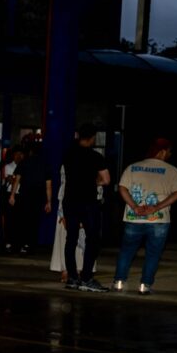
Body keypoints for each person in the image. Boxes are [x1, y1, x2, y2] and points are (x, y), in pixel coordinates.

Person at [112, 138, 177, 295]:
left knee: (127, 251)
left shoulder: (133, 167)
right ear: (162, 151)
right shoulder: (172, 171)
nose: (169, 155)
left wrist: (135, 206)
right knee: (153, 253)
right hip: (158, 220)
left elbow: (122, 188)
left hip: (133, 218)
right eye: (169, 152)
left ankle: (118, 282)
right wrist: (156, 207)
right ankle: (144, 285)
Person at [61, 124, 110, 292]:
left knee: (71, 239)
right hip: (88, 202)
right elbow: (106, 180)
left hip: (69, 201)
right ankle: (87, 277)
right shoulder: (96, 156)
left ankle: (72, 278)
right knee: (92, 239)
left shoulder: (68, 154)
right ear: (92, 138)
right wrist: (93, 181)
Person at [49, 165, 92, 282]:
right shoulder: (67, 166)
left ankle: (79, 268)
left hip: (85, 205)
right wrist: (63, 214)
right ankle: (66, 270)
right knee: (65, 238)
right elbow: (63, 189)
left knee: (82, 237)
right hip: (67, 206)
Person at [10, 141, 53, 253]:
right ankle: (30, 244)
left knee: (22, 221)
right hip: (38, 197)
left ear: (30, 151)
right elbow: (48, 185)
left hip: (24, 196)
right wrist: (49, 202)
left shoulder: (24, 162)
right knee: (34, 222)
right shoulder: (45, 164)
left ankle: (19, 244)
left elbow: (17, 180)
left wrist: (12, 195)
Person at [2, 146, 24, 252]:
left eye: (20, 154)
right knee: (9, 218)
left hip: (20, 194)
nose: (19, 156)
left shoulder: (25, 166)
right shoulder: (8, 166)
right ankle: (8, 242)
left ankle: (17, 242)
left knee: (18, 219)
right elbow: (10, 179)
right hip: (10, 193)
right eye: (17, 154)